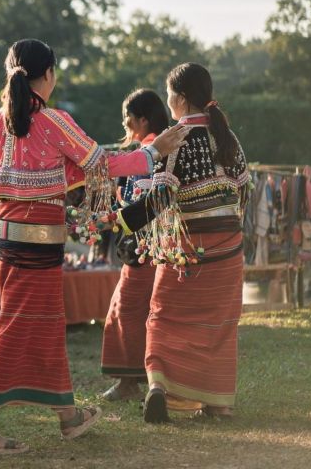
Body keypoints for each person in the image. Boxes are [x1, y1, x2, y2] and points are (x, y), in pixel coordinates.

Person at [0, 39, 188, 453]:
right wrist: (154, 150)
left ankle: (68, 417)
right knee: (17, 328)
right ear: (47, 74)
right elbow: (101, 163)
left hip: (7, 235)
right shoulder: (54, 121)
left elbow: (33, 171)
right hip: (37, 240)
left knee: (46, 323)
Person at [114, 63, 249, 422]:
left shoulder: (175, 139)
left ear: (182, 97)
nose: (168, 100)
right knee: (220, 324)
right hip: (229, 246)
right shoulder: (229, 137)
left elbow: (159, 201)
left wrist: (122, 222)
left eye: (170, 93)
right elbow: (242, 189)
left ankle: (158, 387)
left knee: (163, 318)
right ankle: (218, 404)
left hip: (187, 248)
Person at [100, 88, 169, 401]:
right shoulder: (153, 149)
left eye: (129, 118)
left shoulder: (150, 152)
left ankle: (132, 382)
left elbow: (147, 204)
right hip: (151, 246)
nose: (125, 124)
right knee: (131, 309)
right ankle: (138, 379)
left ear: (143, 120)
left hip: (146, 247)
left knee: (126, 309)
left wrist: (117, 219)